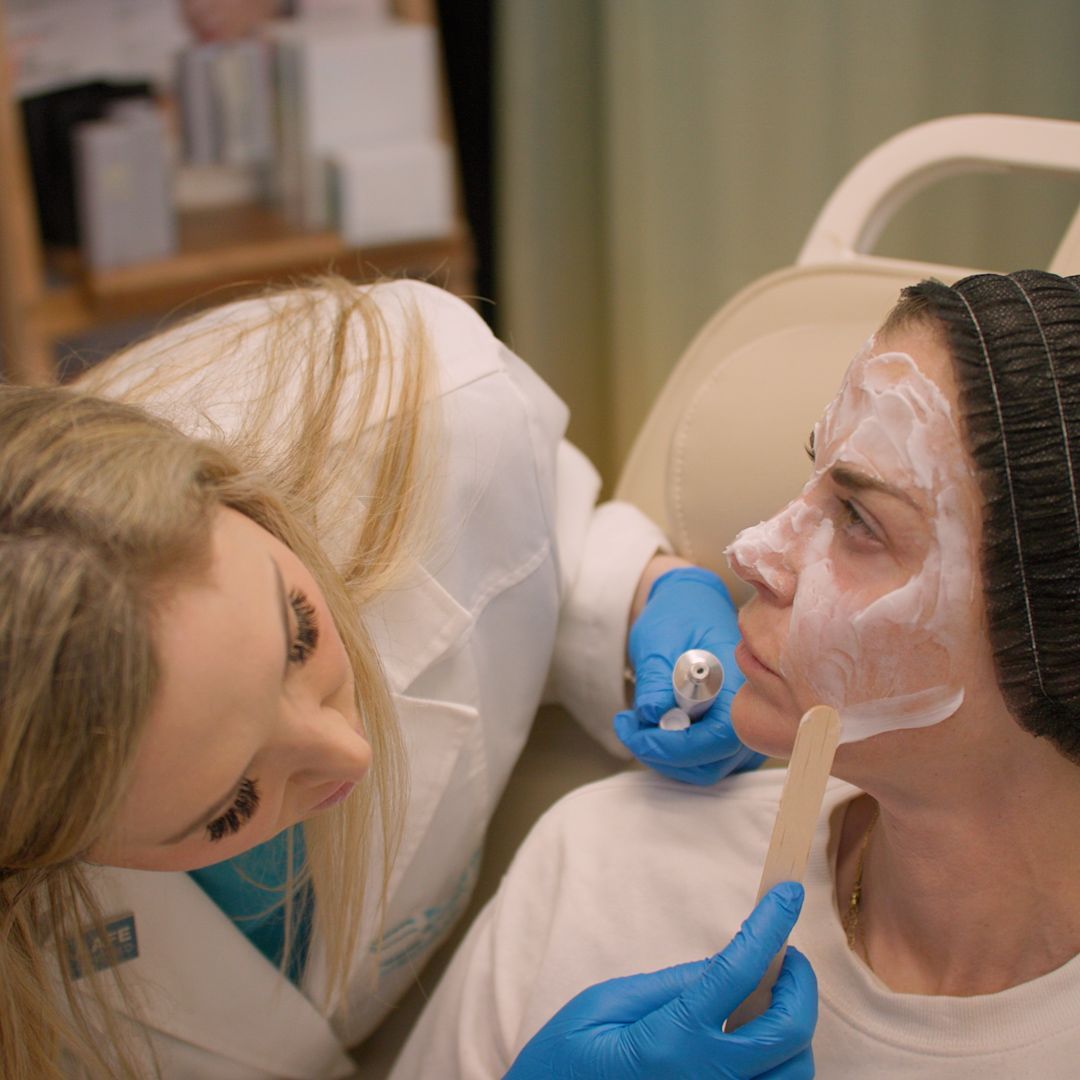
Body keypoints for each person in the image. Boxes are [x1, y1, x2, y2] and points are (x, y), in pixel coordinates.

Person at [0, 277, 812, 1078]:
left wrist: (643, 593)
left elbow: (525, 551)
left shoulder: (418, 411)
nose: (351, 755)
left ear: (231, 492)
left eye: (300, 632)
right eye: (232, 804)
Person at [391, 269, 1080, 1079]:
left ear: (1053, 636)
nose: (751, 549)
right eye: (812, 476)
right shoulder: (604, 861)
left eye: (859, 520)